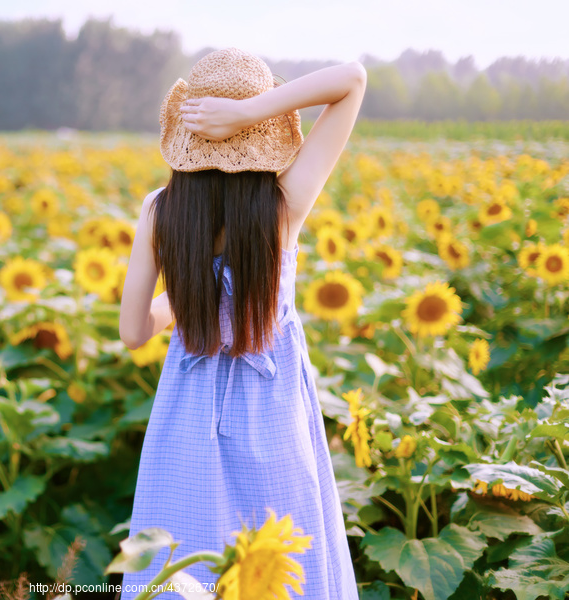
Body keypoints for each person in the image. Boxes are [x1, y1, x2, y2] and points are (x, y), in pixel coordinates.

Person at [117, 47, 366, 600]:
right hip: (273, 407)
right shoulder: (282, 207)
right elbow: (351, 79)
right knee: (282, 564)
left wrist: (191, 298)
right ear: (264, 134)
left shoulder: (161, 210)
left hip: (188, 416)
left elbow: (134, 332)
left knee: (181, 565)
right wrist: (252, 112)